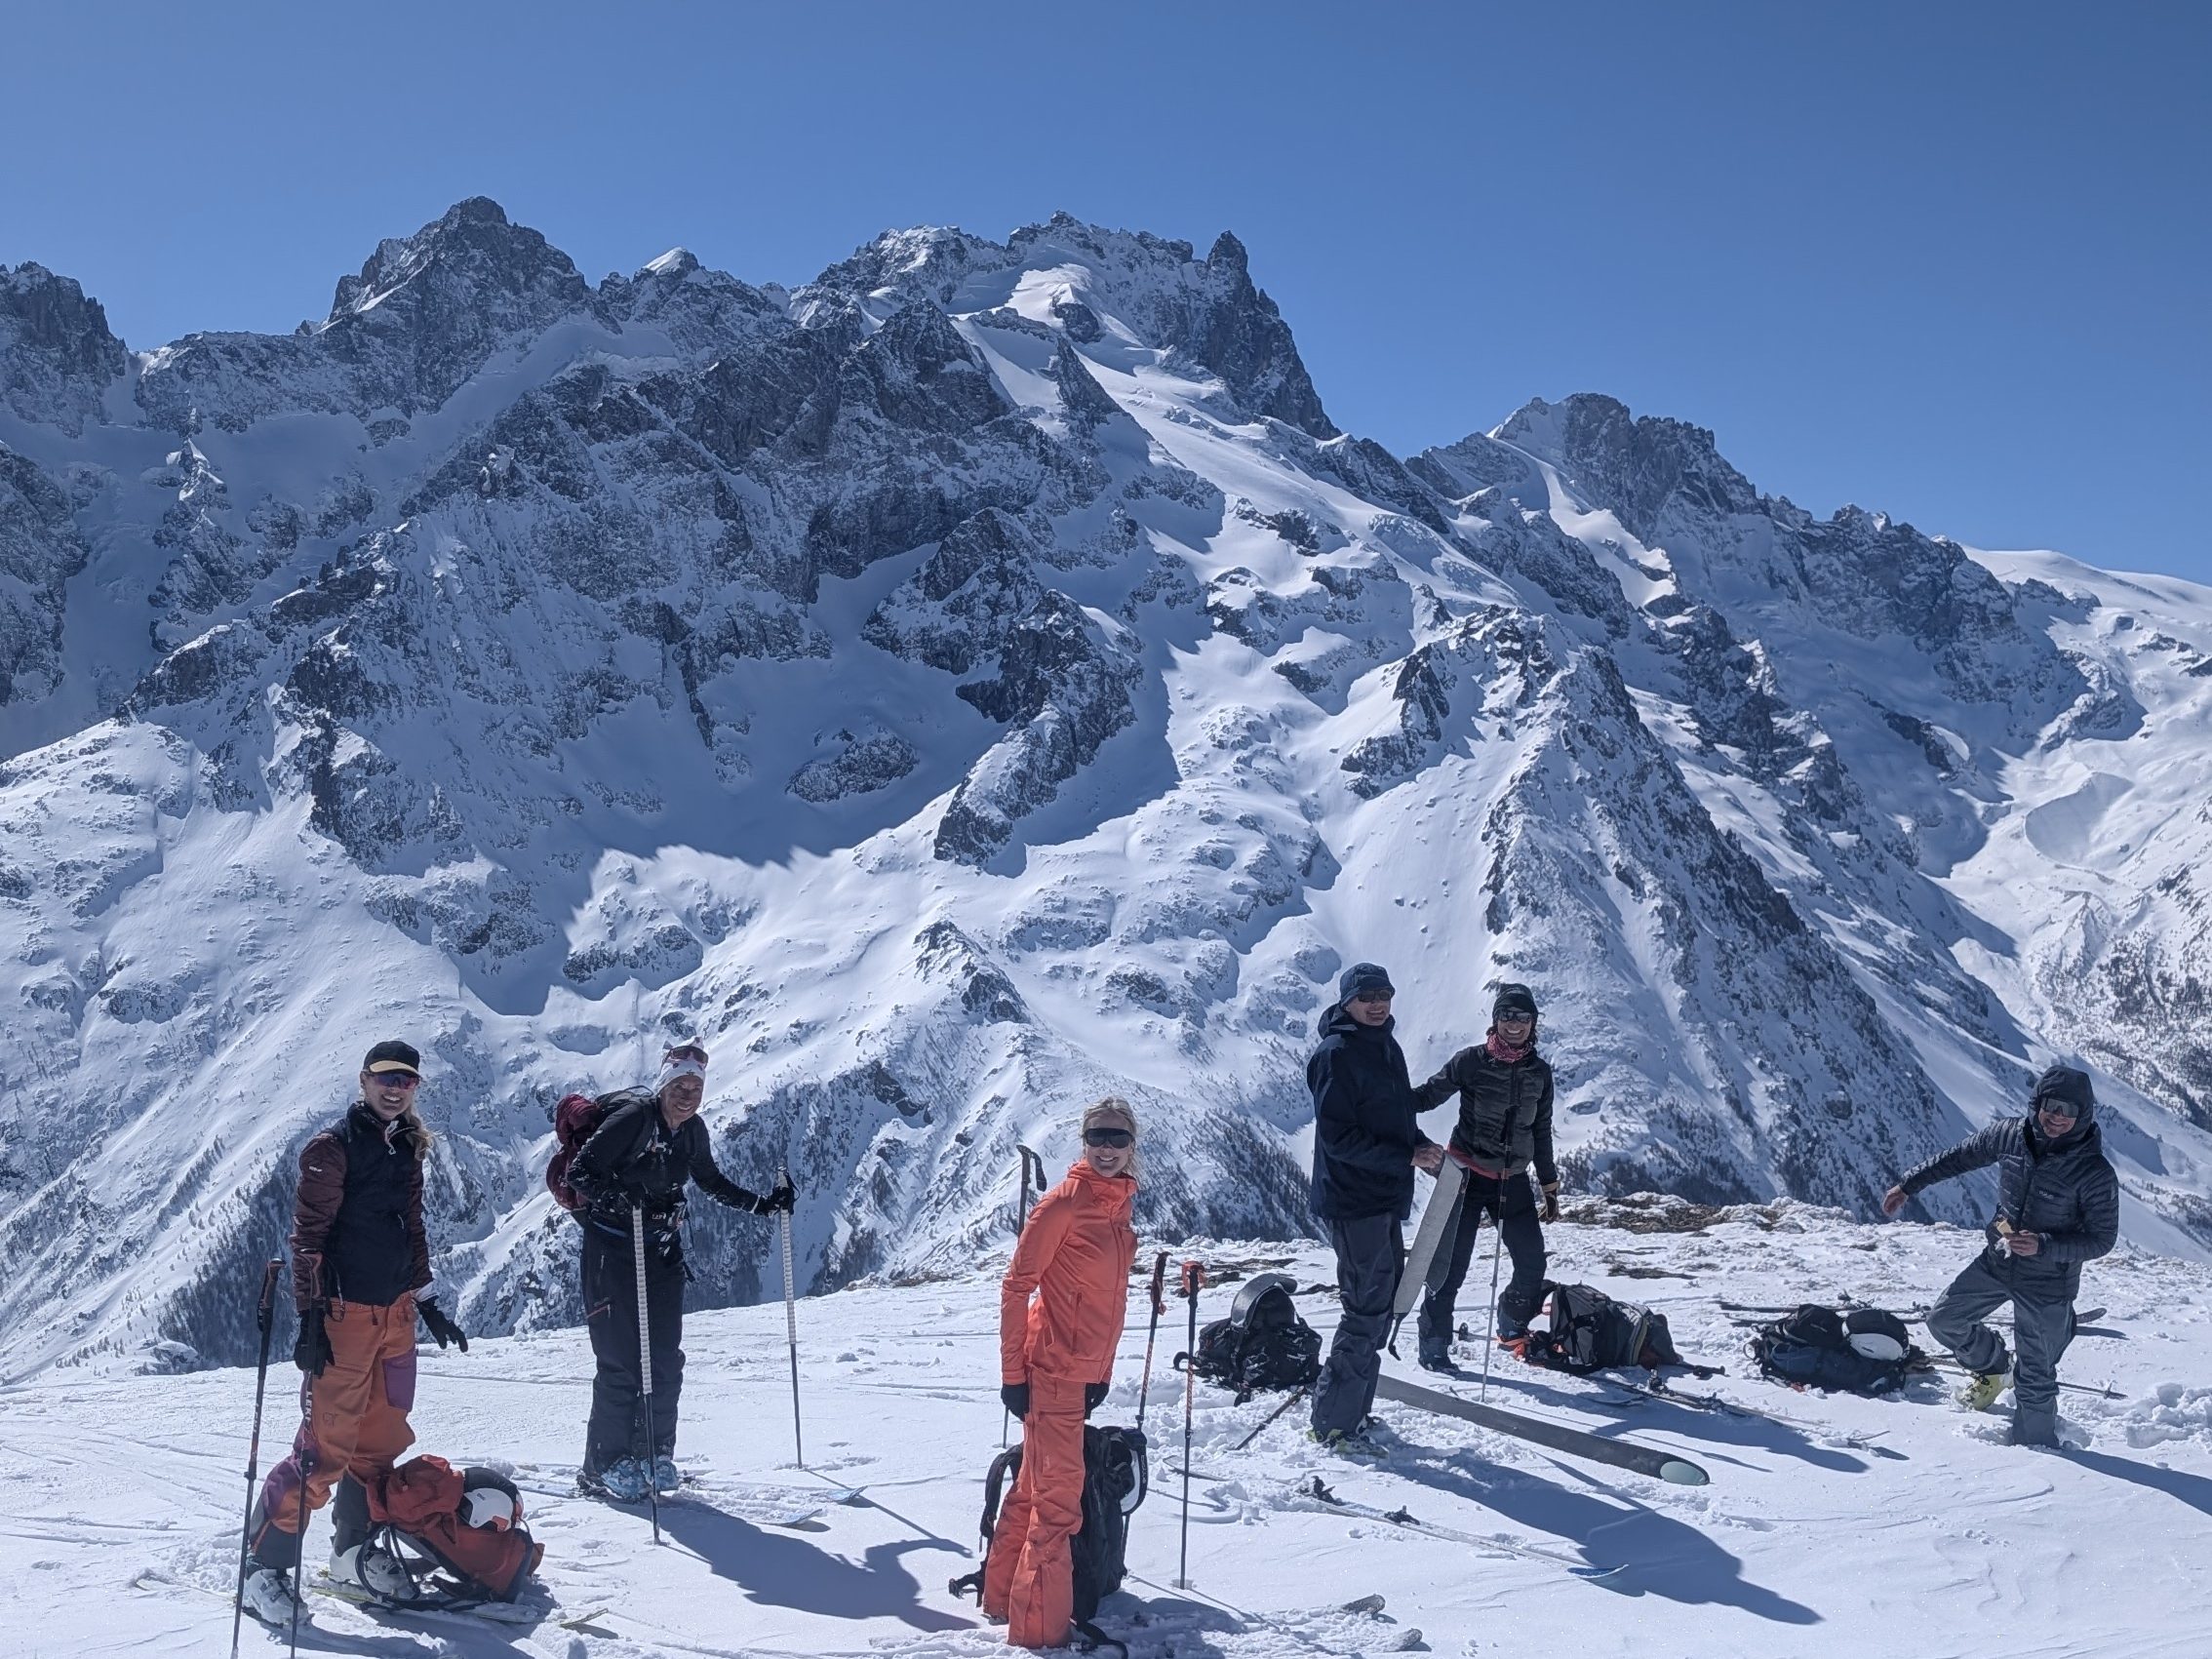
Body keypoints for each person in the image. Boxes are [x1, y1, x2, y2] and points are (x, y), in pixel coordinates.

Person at [242, 1040, 471, 1624]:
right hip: (344, 1317)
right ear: (364, 1081)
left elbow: (411, 1229)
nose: (396, 1089)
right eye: (387, 1079)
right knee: (324, 1452)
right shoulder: (332, 1149)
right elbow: (308, 1240)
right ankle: (262, 1568)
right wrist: (309, 1319)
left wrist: (427, 1299)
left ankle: (351, 1555)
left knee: (379, 1445)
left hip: (395, 1315)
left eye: (408, 1081)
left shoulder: (407, 1149)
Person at [566, 1041, 795, 1500]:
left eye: (695, 1086)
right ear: (664, 1084)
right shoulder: (633, 1120)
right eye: (679, 1085)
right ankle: (603, 1465)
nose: (687, 1094)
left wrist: (763, 1206)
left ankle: (653, 1454)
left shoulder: (691, 1131)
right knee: (621, 1364)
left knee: (665, 1361)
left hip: (662, 1254)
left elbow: (709, 1181)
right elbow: (581, 1172)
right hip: (612, 1254)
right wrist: (619, 1197)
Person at [1882, 1063, 2117, 1448]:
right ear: (2037, 1103)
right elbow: (1959, 1157)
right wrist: (1908, 1186)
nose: (2057, 1117)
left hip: (2048, 1281)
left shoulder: (2094, 1172)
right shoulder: (2011, 1135)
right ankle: (1992, 1367)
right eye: (2051, 1105)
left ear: (2083, 1115)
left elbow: (2101, 1239)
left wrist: (2044, 1245)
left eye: (2068, 1110)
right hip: (2000, 1259)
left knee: (2036, 1376)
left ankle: (2039, 1457)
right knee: (1944, 1320)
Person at [984, 1098, 1140, 1650]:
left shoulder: (1116, 1208)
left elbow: (1101, 1304)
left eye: (1117, 1138)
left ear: (1131, 1147)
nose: (1106, 1147)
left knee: (1032, 1490)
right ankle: (1040, 1637)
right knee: (1058, 1506)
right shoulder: (1064, 1207)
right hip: (1051, 1373)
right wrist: (1013, 1375)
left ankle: (1003, 1597)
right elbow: (1015, 1287)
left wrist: (1100, 1374)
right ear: (1082, 1139)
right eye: (1097, 1135)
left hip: (1078, 1375)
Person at [1306, 964, 1442, 1451]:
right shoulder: (1335, 1054)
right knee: (1365, 1309)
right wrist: (1406, 1155)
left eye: (1384, 993)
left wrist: (1420, 1147)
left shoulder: (1384, 1045)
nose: (1377, 1002)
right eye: (1367, 996)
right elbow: (1339, 1138)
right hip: (1354, 1199)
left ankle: (1353, 1413)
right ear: (1347, 1001)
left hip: (1382, 1195)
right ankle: (1334, 1424)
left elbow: (1394, 1117)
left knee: (1380, 1306)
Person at [1408, 982, 1558, 1370]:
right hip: (1464, 1177)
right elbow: (1426, 1097)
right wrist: (1382, 1097)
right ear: (1495, 1020)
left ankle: (1512, 1326)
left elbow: (1541, 1130)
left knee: (1531, 1263)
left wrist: (1549, 1185)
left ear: (1533, 1023)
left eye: (1523, 1017)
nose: (1514, 1024)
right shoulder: (1471, 1061)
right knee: (1450, 1268)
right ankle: (1434, 1343)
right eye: (1507, 1016)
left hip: (1514, 1178)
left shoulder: (1539, 1073)